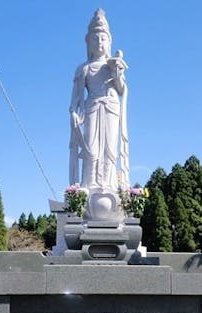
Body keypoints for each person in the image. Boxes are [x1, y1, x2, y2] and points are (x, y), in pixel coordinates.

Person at [69, 9, 129, 192]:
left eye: (103, 38)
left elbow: (121, 90)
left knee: (110, 150)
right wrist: (73, 112)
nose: (99, 42)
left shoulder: (112, 65)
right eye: (95, 38)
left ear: (109, 41)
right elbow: (76, 99)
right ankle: (89, 186)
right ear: (88, 42)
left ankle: (109, 186)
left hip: (111, 107)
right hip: (92, 108)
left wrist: (117, 75)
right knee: (91, 149)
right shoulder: (83, 68)